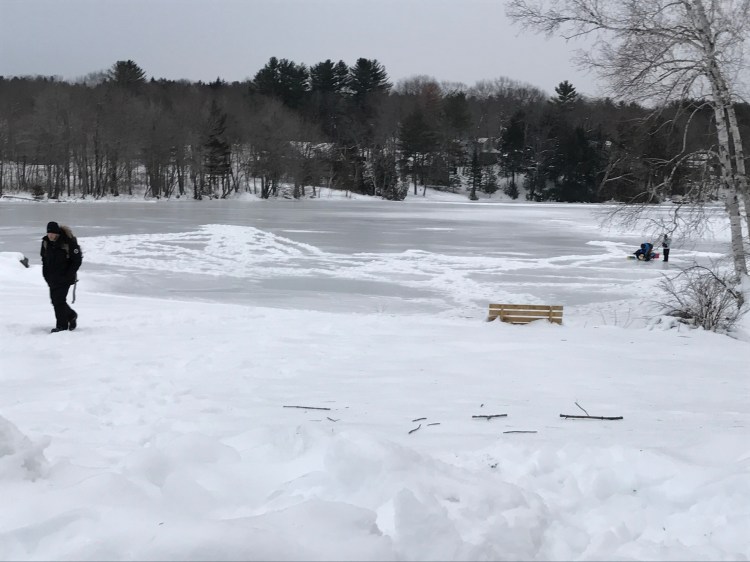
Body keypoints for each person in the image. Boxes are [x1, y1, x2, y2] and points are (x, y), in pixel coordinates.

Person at [40, 221, 82, 333]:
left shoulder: (68, 242)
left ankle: (62, 326)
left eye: (53, 233)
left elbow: (77, 260)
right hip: (52, 278)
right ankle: (71, 315)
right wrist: (46, 274)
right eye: (49, 233)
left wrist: (69, 275)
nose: (50, 235)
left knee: (59, 300)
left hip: (65, 278)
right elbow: (44, 259)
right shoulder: (45, 242)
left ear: (57, 232)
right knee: (55, 301)